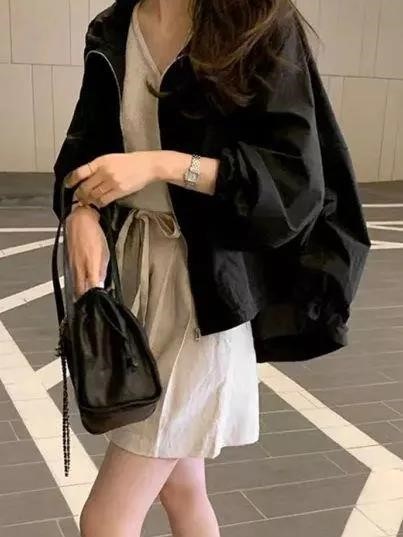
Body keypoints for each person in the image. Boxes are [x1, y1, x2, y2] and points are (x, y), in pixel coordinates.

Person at [53, 0, 371, 536]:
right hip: (130, 280)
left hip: (201, 292)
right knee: (182, 490)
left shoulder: (256, 19)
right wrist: (81, 210)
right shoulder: (112, 27)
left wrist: (160, 164)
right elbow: (84, 148)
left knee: (106, 518)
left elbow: (293, 183)